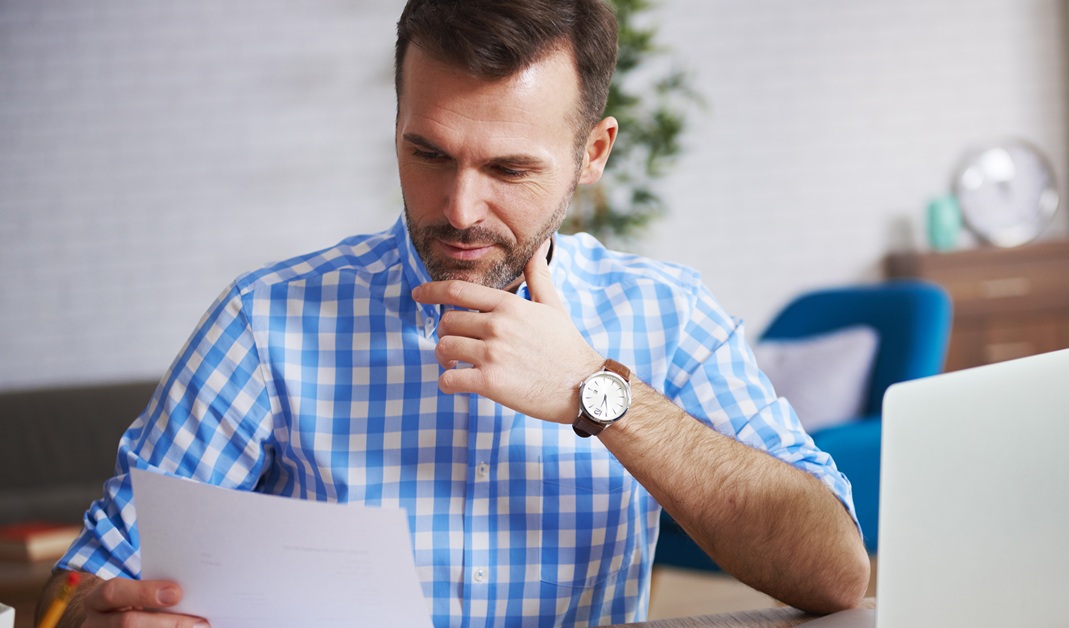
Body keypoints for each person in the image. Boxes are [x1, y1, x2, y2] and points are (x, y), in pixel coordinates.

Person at [37, 0, 869, 625]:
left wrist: (595, 393)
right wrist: (91, 613)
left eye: (508, 168)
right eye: (427, 152)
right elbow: (77, 583)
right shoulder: (267, 322)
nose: (460, 208)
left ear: (594, 154)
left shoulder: (668, 315)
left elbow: (837, 572)